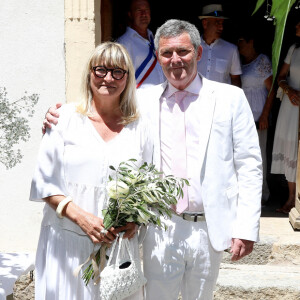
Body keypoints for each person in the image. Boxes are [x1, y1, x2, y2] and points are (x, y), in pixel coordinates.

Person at [43, 20, 262, 300]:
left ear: (198, 53)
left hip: (210, 226)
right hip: (161, 227)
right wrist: (58, 116)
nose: (175, 60)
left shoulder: (231, 98)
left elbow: (249, 165)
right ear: (158, 57)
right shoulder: (142, 100)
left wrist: (246, 227)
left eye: (182, 52)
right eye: (166, 53)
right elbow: (99, 108)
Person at [30, 42, 153, 300]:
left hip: (116, 249)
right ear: (89, 73)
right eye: (100, 70)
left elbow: (147, 184)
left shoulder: (139, 127)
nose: (108, 78)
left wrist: (135, 220)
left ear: (127, 78)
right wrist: (82, 219)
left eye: (117, 72)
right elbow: (44, 183)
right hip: (67, 243)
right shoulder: (64, 119)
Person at [237, 28, 275, 204]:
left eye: (241, 42)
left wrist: (265, 115)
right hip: (244, 117)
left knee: (259, 156)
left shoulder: (262, 61)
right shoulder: (241, 63)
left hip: (259, 117)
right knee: (242, 156)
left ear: (251, 42)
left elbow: (271, 89)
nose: (239, 46)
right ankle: (245, 193)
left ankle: (261, 194)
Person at [271, 21, 300, 214]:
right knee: (291, 147)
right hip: (293, 105)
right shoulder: (294, 49)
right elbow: (280, 77)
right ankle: (291, 197)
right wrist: (289, 91)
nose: (296, 26)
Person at [117, 0, 165, 89]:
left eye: (146, 10)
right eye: (139, 10)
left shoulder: (156, 39)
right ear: (130, 14)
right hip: (139, 98)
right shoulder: (123, 43)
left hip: (163, 96)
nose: (144, 14)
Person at [197, 4, 242, 86]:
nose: (221, 28)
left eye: (222, 23)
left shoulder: (231, 50)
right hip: (196, 98)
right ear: (205, 24)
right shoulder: (191, 48)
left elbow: (235, 79)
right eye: (217, 23)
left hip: (222, 98)